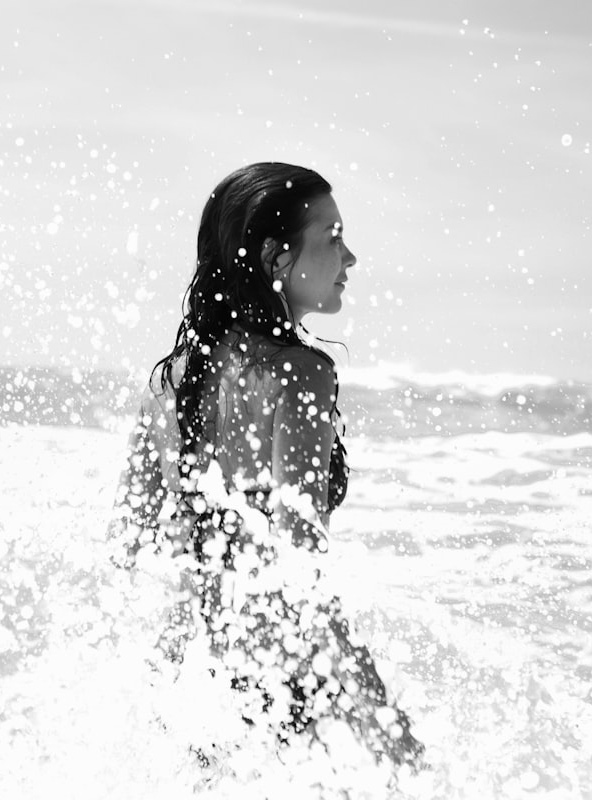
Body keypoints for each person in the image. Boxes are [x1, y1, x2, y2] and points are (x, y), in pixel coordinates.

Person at [108, 162, 424, 769]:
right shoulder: (299, 373)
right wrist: (385, 720)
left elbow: (129, 543)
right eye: (332, 237)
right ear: (277, 258)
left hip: (189, 679)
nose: (350, 257)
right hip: (279, 677)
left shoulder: (171, 384)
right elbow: (297, 563)